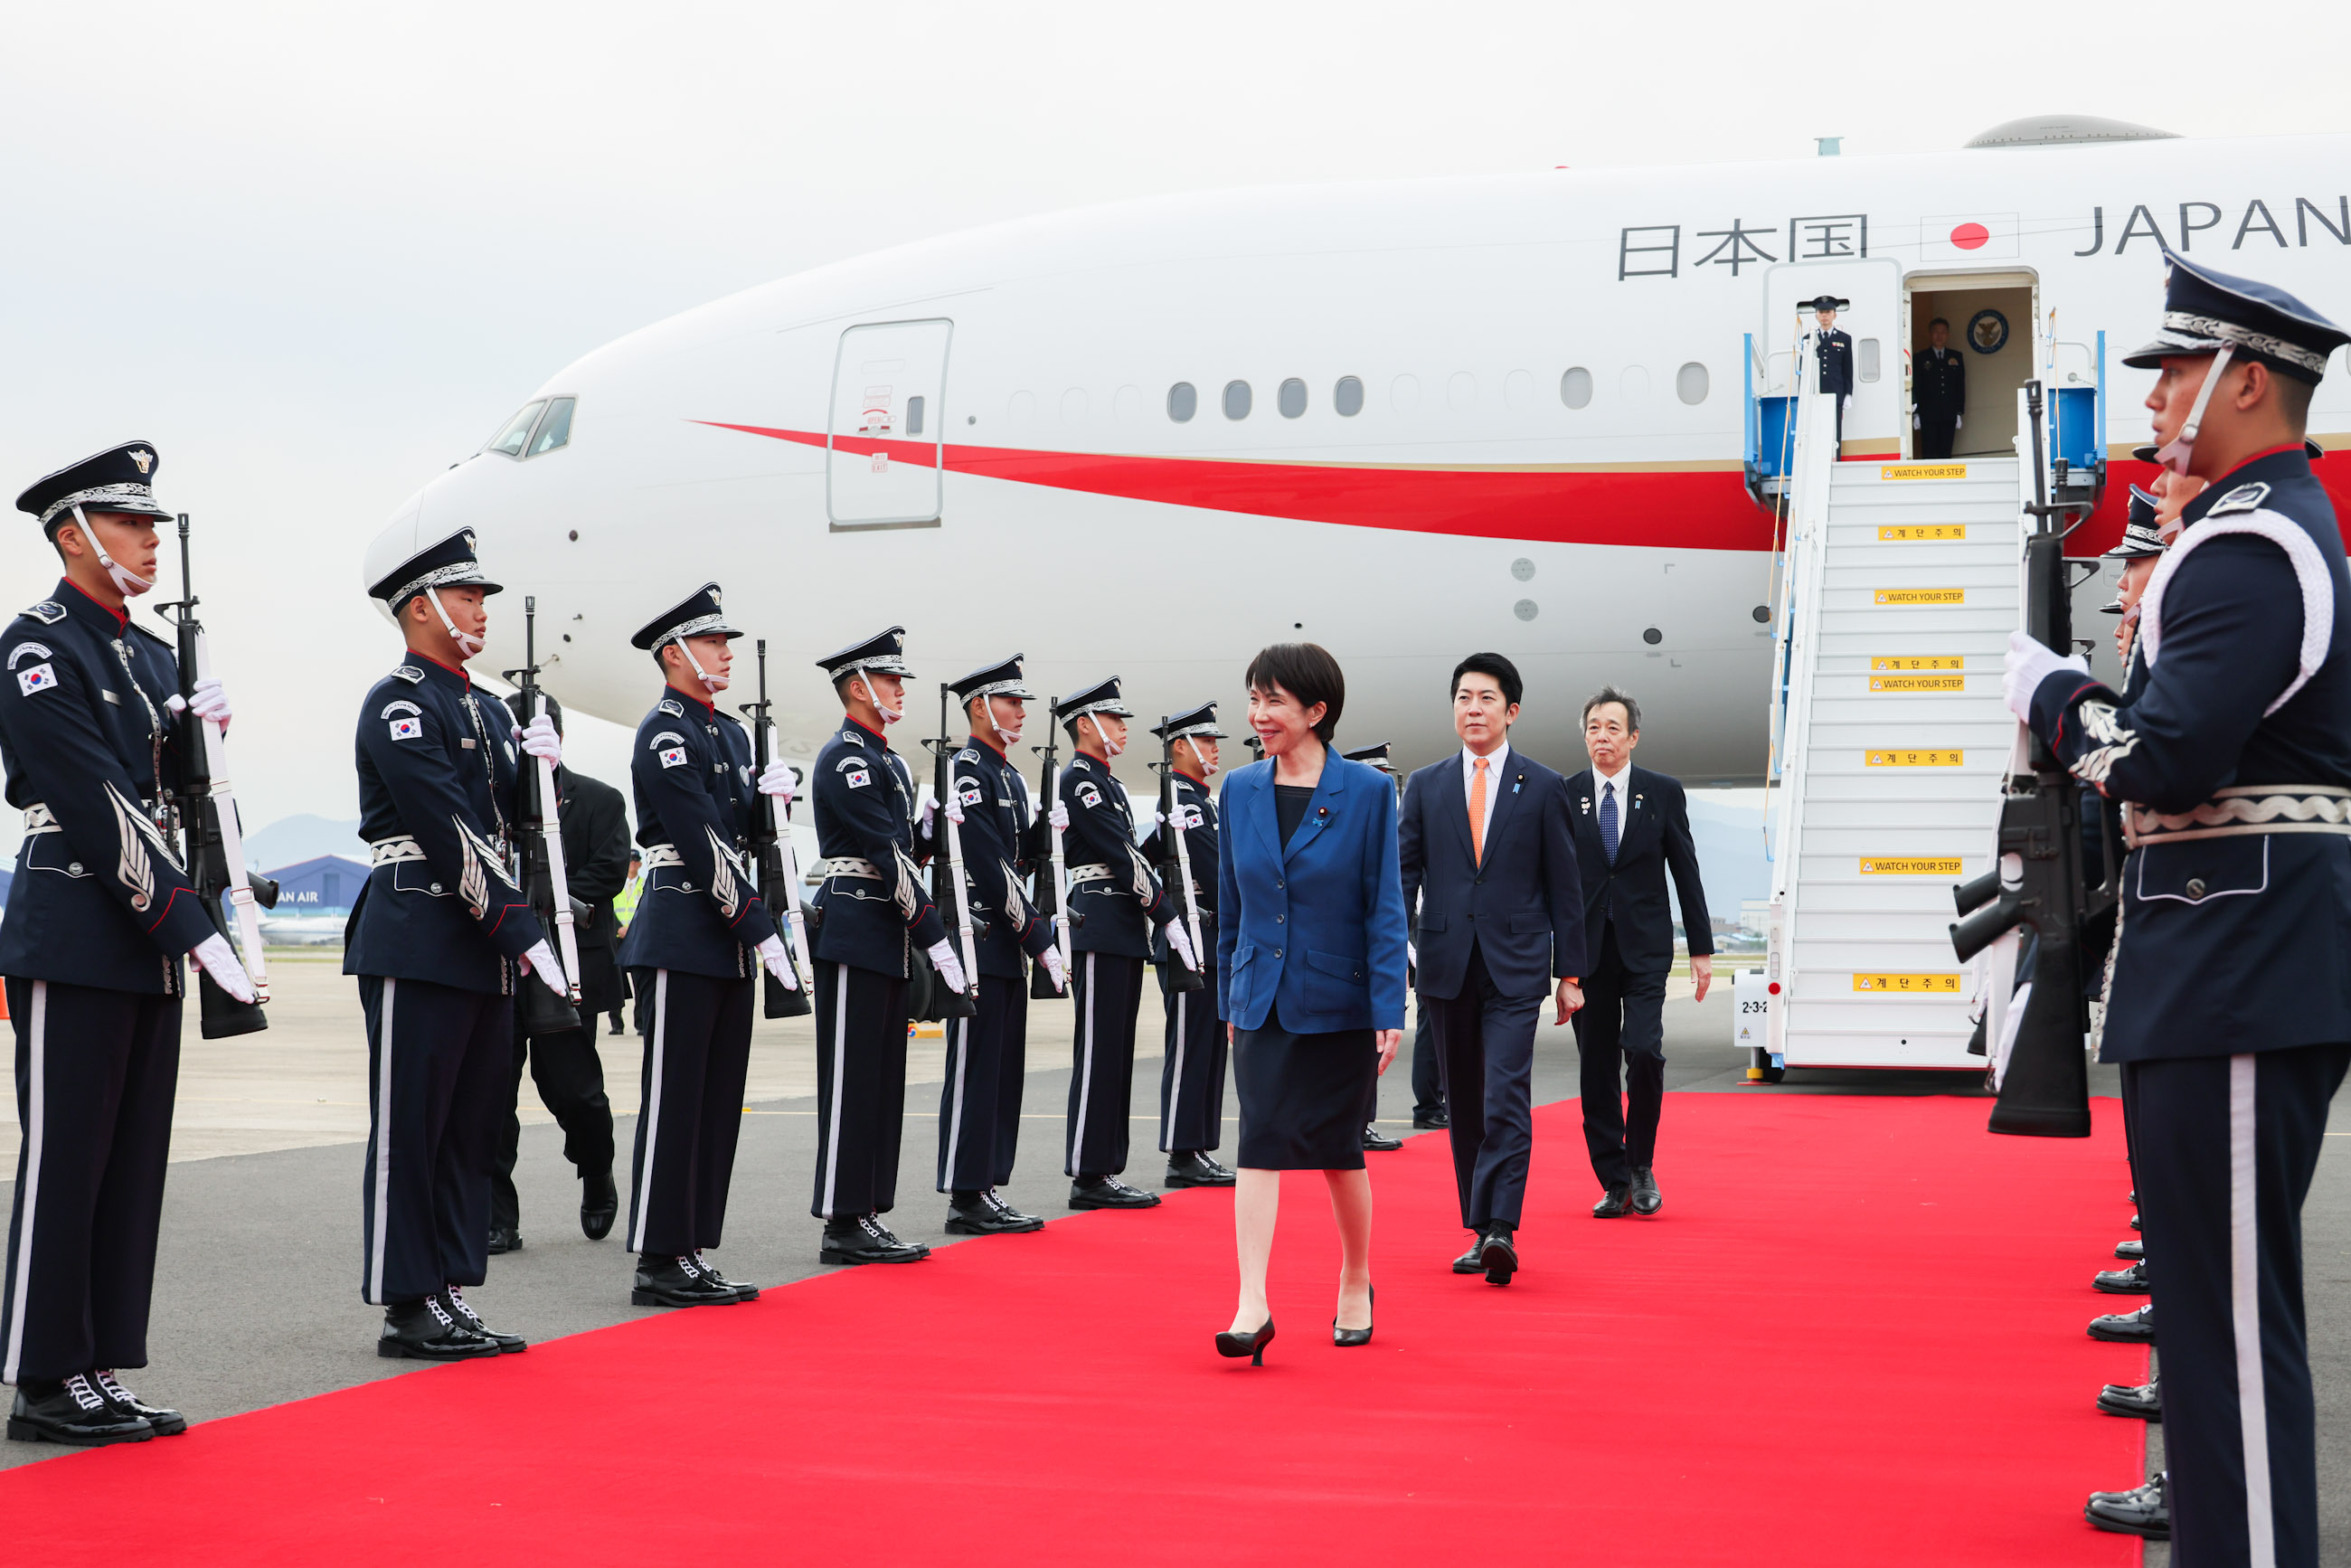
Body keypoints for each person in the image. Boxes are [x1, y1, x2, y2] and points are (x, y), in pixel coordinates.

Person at [2002, 246, 2351, 1562]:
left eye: (2177, 372)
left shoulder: (2256, 544)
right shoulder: (2241, 535)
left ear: (2247, 382)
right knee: (2207, 1330)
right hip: (2220, 961)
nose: (2154, 403)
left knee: (2234, 1341)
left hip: (2242, 966)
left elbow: (2161, 758)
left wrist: (2048, 692)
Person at [0, 443, 256, 1445]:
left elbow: (186, 804)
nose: (150, 540)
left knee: (129, 1161)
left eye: (152, 524)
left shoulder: (155, 657)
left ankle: (98, 1362)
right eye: (129, 523)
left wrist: (212, 739)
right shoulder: (37, 645)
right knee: (68, 1157)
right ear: (73, 535)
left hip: (145, 937)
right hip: (78, 925)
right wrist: (195, 927)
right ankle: (41, 1373)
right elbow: (93, 801)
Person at [346, 527, 566, 1360]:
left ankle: (448, 1289)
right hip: (420, 929)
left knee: (472, 1124)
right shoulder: (400, 699)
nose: (479, 609)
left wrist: (544, 762)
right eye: (466, 595)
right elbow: (444, 824)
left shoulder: (483, 706)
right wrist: (521, 931)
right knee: (414, 1126)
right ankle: (408, 1300)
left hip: (479, 941)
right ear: (420, 607)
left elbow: (516, 820)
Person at [1215, 644, 1408, 1363]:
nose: (1257, 716)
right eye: (1254, 700)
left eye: (1273, 702)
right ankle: (1251, 1302)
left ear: (1316, 711)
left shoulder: (1366, 792)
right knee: (1258, 1142)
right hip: (1260, 998)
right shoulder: (1237, 789)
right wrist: (1232, 994)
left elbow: (1384, 907)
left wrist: (1390, 1008)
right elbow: (1231, 904)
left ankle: (1355, 1279)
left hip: (1340, 999)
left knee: (1337, 1152)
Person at [614, 584, 798, 1306]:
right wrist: (763, 930)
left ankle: (690, 1247)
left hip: (725, 938)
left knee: (718, 1101)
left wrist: (776, 799)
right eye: (714, 641)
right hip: (684, 929)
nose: (727, 652)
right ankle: (659, 1258)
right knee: (674, 1100)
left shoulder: (729, 733)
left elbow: (748, 832)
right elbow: (697, 842)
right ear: (676, 653)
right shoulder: (665, 730)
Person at [1397, 654, 1583, 1286]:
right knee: (1465, 1105)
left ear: (1512, 711)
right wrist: (1394, 950)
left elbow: (1565, 886)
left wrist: (1572, 973)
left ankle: (1503, 1225)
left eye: (1485, 698)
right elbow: (1404, 874)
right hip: (1447, 966)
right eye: (1462, 698)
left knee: (1506, 1094)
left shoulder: (1544, 785)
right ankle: (1480, 1231)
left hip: (1516, 967)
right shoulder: (1426, 784)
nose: (1472, 709)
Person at [807, 627, 967, 1264]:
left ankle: (869, 1210)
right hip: (854, 928)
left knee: (881, 1081)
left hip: (885, 930)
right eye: (890, 679)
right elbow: (880, 852)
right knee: (851, 1080)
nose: (900, 690)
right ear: (857, 687)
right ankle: (844, 1219)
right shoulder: (846, 756)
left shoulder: (889, 760)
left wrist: (927, 833)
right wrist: (936, 935)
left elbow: (901, 849)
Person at [927, 655, 1065, 1233]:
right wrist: (1038, 934)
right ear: (979, 707)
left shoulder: (1007, 773)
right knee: (976, 1068)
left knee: (1005, 1070)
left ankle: (987, 1183)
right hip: (981, 935)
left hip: (1005, 942)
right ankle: (965, 1192)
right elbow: (984, 864)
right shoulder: (967, 770)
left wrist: (1044, 832)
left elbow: (1014, 855)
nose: (1021, 711)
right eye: (1011, 702)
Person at [1054, 678, 1204, 1210]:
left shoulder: (1109, 784)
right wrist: (1166, 914)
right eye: (1114, 719)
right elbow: (1117, 855)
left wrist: (1160, 836)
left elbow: (1128, 850)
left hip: (1119, 923)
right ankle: (1089, 1174)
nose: (1122, 728)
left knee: (1115, 1052)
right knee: (1099, 1052)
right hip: (1097, 920)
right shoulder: (1080, 781)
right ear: (1086, 724)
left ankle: (1104, 1169)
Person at [1564, 686, 1712, 1219]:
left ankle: (1642, 1164)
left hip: (1646, 948)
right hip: (1585, 955)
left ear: (1633, 737)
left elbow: (1685, 870)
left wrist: (1701, 949)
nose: (1602, 737)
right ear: (1585, 736)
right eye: (1594, 728)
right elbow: (1554, 881)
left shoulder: (1663, 792)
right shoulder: (1566, 794)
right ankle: (1614, 1180)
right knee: (1595, 1067)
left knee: (1644, 1050)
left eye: (1612, 728)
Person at [489, 694, 625, 1254]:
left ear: (556, 737)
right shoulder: (488, 801)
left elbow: (610, 870)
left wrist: (548, 901)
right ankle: (498, 1216)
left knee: (575, 1093)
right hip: (497, 968)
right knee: (492, 1098)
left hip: (567, 966)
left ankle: (596, 1171)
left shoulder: (598, 799)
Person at [1147, 704, 1236, 1187]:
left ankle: (1198, 1145)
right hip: (1189, 940)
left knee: (1207, 1047)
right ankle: (1183, 1152)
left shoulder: (1203, 801)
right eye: (1205, 740)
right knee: (1190, 1047)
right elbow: (1213, 869)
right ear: (1179, 746)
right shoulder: (1181, 799)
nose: (1215, 748)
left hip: (1209, 937)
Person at [1340, 741, 1406, 1154]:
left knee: (1371, 1041)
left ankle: (1361, 1121)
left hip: (1377, 947)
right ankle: (1350, 1121)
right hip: (1349, 948)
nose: (1385, 783)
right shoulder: (1348, 822)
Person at [1913, 315, 1966, 459]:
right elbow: (1916, 385)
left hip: (1949, 414)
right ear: (1930, 334)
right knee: (1929, 453)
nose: (1939, 335)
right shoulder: (1920, 358)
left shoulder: (1956, 356)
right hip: (1927, 414)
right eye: (1936, 331)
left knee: (1946, 453)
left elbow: (1960, 386)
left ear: (1948, 334)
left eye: (1943, 331)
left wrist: (1959, 412)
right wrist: (1916, 412)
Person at [1808, 295, 1855, 449]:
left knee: (1836, 434)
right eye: (1821, 312)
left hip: (1836, 393)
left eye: (1828, 312)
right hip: (1816, 393)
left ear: (1834, 315)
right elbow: (1805, 370)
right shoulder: (1808, 339)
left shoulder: (1845, 339)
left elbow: (1848, 368)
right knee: (1816, 433)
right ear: (1816, 315)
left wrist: (1848, 394)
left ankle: (1837, 463)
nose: (1824, 315)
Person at [609, 854, 640, 1035]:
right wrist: (619, 927)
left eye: (635, 862)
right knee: (616, 980)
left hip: (636, 937)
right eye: (629, 862)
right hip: (617, 937)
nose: (632, 865)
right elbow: (609, 908)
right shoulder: (616, 884)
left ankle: (641, 1023)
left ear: (639, 864)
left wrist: (632, 928)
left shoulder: (644, 884)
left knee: (639, 982)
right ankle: (616, 1024)